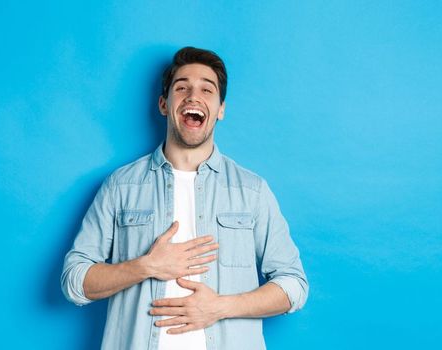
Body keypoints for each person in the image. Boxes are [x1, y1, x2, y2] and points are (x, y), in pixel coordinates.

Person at [61, 46, 308, 350]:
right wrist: (146, 266)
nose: (194, 96)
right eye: (182, 88)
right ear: (164, 104)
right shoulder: (120, 186)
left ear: (220, 108)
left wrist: (220, 307)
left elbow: (294, 286)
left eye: (207, 89)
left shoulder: (251, 191)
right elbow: (75, 281)